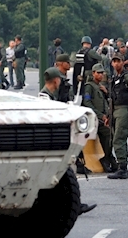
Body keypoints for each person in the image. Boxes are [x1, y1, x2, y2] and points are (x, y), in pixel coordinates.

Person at [38, 67, 97, 215]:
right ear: (55, 80)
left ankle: (71, 204)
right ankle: (68, 205)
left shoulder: (52, 95)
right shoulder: (44, 97)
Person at [83, 63, 115, 173]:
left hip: (103, 117)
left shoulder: (100, 86)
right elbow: (87, 102)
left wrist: (106, 92)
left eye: (102, 73)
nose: (101, 75)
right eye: (98, 73)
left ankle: (109, 159)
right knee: (108, 134)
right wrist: (100, 115)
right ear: (93, 73)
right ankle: (107, 160)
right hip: (95, 118)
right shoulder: (89, 86)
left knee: (110, 137)